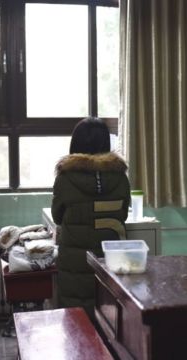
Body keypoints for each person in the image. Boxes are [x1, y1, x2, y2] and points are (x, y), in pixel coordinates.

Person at [51, 117, 130, 315]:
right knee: (109, 319)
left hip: (75, 264)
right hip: (110, 260)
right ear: (105, 143)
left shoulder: (65, 177)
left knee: (76, 322)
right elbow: (123, 214)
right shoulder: (120, 177)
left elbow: (57, 217)